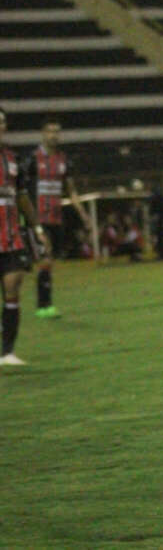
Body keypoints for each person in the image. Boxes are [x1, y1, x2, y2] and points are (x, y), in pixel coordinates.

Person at [22, 117, 90, 319]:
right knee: (46, 258)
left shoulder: (63, 160)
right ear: (43, 133)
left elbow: (71, 191)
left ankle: (44, 304)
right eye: (50, 131)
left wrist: (83, 214)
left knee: (49, 261)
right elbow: (21, 190)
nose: (54, 135)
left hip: (56, 218)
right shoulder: (32, 159)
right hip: (38, 218)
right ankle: (44, 305)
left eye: (57, 131)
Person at [0, 106, 50, 366]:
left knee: (12, 287)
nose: (1, 126)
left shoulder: (13, 158)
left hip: (10, 238)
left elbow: (21, 196)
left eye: (3, 122)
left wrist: (38, 229)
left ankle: (7, 351)